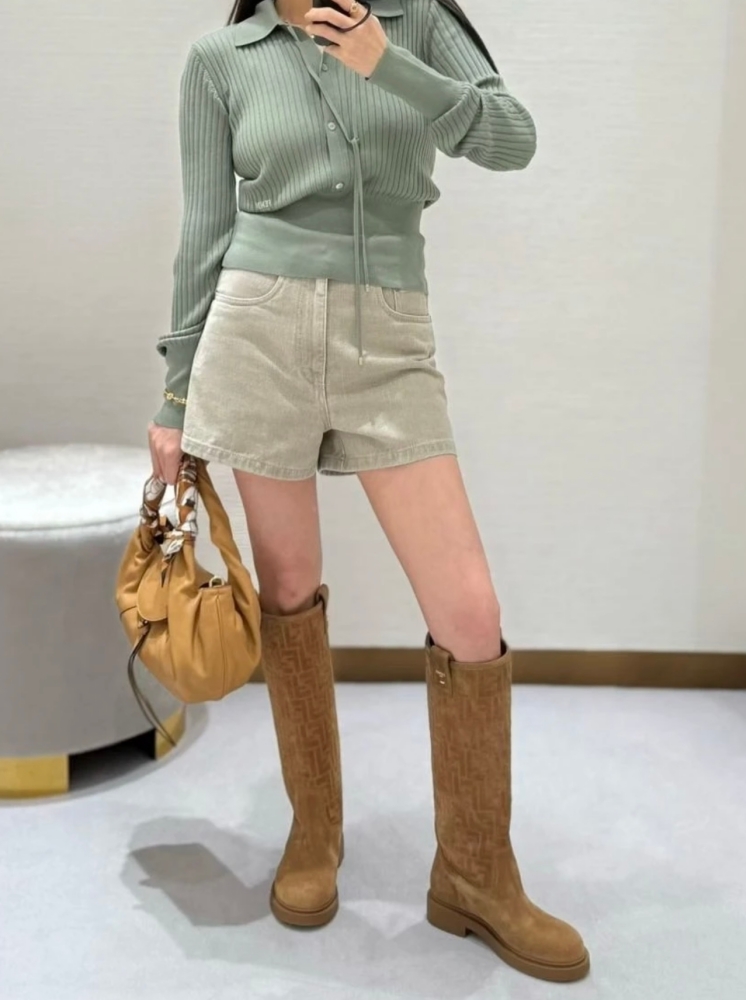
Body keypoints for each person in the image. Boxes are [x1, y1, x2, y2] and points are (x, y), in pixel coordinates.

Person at [148, 0, 589, 982]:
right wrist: (176, 395)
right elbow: (204, 229)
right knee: (288, 588)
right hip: (255, 333)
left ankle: (475, 870)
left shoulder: (416, 19)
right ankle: (314, 829)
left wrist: (387, 61)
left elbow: (512, 139)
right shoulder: (222, 58)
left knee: (469, 612)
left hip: (388, 335)